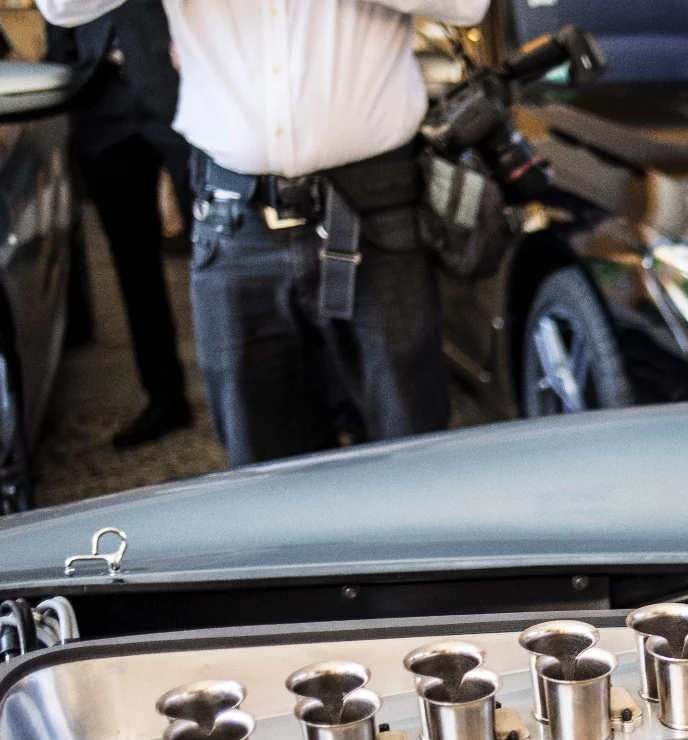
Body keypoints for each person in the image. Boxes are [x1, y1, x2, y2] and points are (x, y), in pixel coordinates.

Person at [38, 0, 489, 467]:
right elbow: (62, 6)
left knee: (410, 455)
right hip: (236, 223)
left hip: (376, 213)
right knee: (264, 470)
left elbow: (468, 5)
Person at [46, 0, 194, 449]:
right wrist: (65, 69)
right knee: (132, 265)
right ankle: (166, 398)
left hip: (181, 89)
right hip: (98, 101)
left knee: (227, 247)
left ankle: (254, 385)